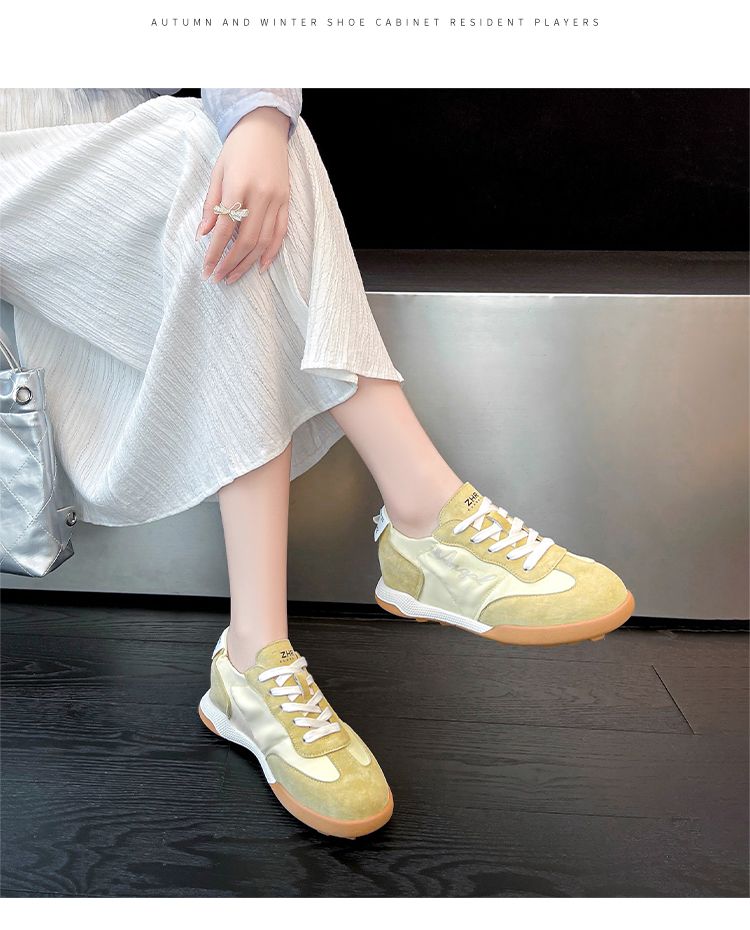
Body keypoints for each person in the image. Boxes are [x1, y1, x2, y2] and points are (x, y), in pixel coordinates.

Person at [0, 88, 634, 838]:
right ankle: (421, 516)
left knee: (251, 158)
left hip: (119, 171)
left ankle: (259, 653)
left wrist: (262, 116)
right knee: (201, 156)